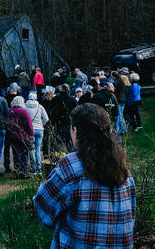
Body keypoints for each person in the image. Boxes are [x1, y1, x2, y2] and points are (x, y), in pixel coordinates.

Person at [33, 103, 136, 248]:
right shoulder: (124, 170)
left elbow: (43, 209)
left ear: (75, 130)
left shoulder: (72, 166)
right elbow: (130, 217)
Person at [5, 96, 34, 179]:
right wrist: (31, 133)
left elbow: (7, 124)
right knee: (24, 154)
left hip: (12, 136)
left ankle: (17, 172)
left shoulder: (9, 111)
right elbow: (28, 124)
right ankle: (23, 172)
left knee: (16, 154)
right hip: (22, 136)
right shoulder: (23, 112)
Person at [25, 91, 49, 175]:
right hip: (40, 130)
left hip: (30, 130)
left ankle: (34, 169)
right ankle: (39, 169)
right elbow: (46, 118)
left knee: (31, 149)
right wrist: (41, 124)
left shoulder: (25, 107)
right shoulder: (40, 107)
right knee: (38, 150)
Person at [49, 84, 77, 154]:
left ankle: (59, 157)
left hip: (58, 123)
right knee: (70, 144)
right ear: (68, 90)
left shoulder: (55, 99)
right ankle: (70, 158)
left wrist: (53, 121)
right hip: (69, 123)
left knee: (59, 143)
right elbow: (77, 112)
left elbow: (50, 112)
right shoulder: (73, 100)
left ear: (61, 90)